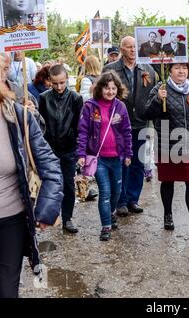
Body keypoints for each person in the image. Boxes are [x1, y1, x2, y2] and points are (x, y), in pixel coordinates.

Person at [0, 46, 62, 298]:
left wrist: (48, 206)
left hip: (11, 219)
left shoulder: (18, 117)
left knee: (5, 292)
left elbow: (50, 165)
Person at [144, 62, 189, 240]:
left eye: (184, 68)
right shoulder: (160, 89)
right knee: (168, 181)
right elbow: (147, 114)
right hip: (168, 144)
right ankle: (168, 215)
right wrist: (157, 100)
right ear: (169, 70)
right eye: (177, 67)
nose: (181, 71)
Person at [103, 36, 157, 216]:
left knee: (138, 162)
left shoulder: (147, 69)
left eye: (135, 47)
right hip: (119, 123)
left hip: (142, 121)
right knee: (122, 162)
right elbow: (102, 94)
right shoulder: (111, 70)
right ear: (122, 50)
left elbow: (153, 94)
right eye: (128, 47)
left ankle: (133, 199)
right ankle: (121, 200)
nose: (133, 50)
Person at [77, 71, 132, 241]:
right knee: (105, 192)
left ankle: (112, 212)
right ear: (100, 88)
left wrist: (129, 153)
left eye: (113, 88)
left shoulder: (120, 107)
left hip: (117, 158)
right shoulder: (90, 106)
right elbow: (83, 131)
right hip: (98, 158)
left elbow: (127, 131)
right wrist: (81, 154)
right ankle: (106, 226)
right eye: (107, 88)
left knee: (116, 192)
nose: (110, 91)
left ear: (118, 89)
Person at [39, 65, 84, 234]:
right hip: (50, 147)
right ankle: (51, 214)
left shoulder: (75, 98)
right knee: (50, 183)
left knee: (68, 184)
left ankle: (68, 218)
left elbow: (80, 126)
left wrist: (79, 149)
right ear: (50, 81)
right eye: (55, 83)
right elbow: (41, 123)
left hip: (68, 147)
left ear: (67, 80)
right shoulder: (43, 98)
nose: (59, 87)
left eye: (62, 83)